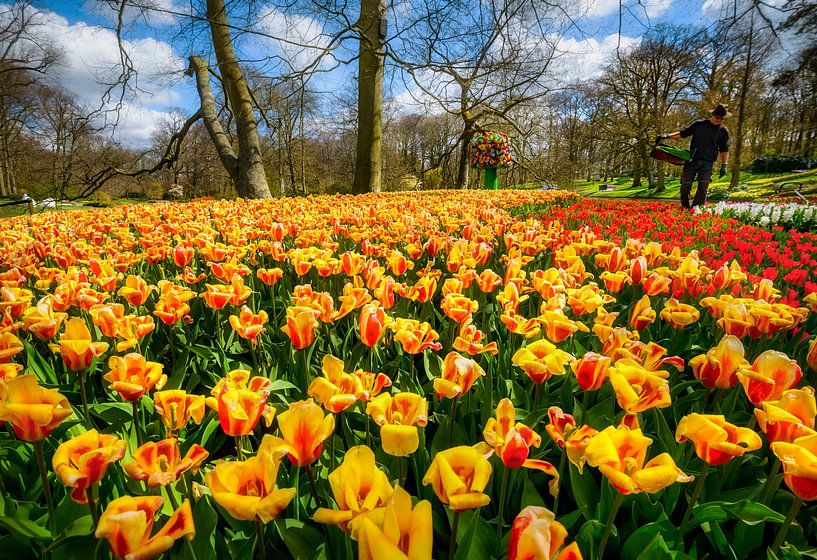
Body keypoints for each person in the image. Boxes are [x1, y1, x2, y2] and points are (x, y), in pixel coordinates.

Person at [659, 104, 731, 209]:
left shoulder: (723, 131)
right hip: (692, 160)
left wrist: (724, 165)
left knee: (703, 188)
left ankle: (696, 210)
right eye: (717, 117)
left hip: (707, 162)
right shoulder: (699, 125)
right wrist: (666, 136)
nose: (719, 120)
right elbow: (683, 133)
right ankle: (685, 208)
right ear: (712, 115)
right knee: (685, 186)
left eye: (722, 118)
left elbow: (724, 149)